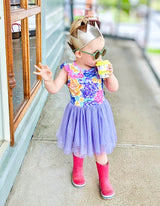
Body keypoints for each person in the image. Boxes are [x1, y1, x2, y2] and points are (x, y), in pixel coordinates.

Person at [34, 16, 119, 200]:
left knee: (100, 149)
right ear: (79, 53)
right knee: (79, 145)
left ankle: (104, 180)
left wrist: (110, 76)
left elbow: (113, 88)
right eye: (96, 53)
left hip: (98, 114)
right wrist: (48, 79)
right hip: (79, 115)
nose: (100, 57)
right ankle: (78, 169)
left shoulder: (100, 68)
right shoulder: (68, 70)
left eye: (102, 51)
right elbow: (55, 89)